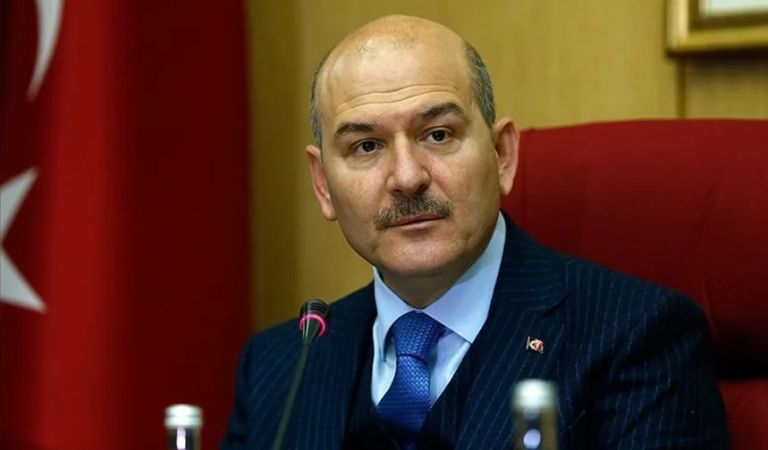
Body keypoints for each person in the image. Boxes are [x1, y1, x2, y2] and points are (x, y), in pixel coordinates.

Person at [222, 15, 727, 450]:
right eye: (367, 146)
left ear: (502, 155)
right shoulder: (279, 367)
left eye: (437, 134)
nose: (407, 178)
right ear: (323, 186)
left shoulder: (637, 336)